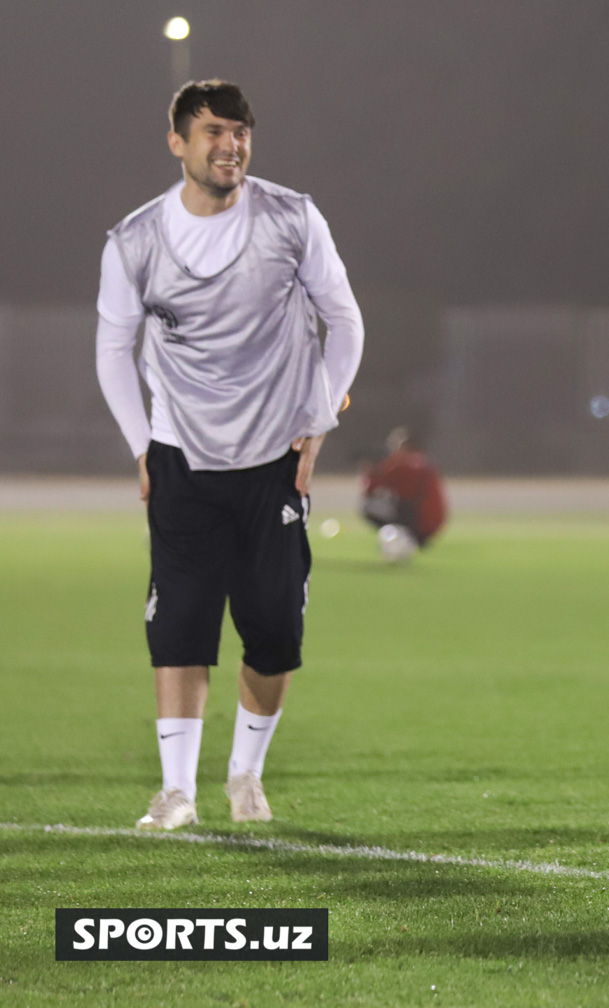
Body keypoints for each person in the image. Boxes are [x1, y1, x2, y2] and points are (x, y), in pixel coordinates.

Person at [95, 80, 365, 829]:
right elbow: (114, 350)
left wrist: (317, 423)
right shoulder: (137, 239)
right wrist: (143, 446)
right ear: (177, 141)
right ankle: (176, 791)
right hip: (183, 460)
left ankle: (244, 776)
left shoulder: (290, 217)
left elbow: (344, 322)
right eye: (213, 131)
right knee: (179, 629)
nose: (231, 145)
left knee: (275, 635)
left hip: (272, 462)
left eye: (241, 132)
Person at [361, 427, 448, 564]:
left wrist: (369, 472)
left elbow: (372, 489)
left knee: (370, 507)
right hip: (435, 522)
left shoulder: (398, 462)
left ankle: (402, 538)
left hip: (417, 519)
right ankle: (413, 540)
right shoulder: (426, 461)